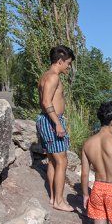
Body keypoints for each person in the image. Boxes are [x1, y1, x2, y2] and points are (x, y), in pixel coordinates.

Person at [37, 45, 75, 212]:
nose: (69, 66)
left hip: (46, 120)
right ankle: (59, 201)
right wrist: (58, 123)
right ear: (60, 61)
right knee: (62, 161)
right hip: (52, 121)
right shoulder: (53, 77)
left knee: (53, 161)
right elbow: (46, 102)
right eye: (68, 63)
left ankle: (54, 198)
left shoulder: (45, 75)